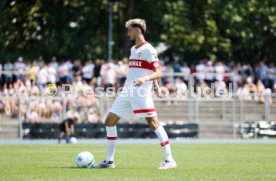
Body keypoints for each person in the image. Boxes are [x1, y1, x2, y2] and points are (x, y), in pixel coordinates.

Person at [93, 18, 176, 169]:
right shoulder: (133, 49)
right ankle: (109, 161)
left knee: (153, 123)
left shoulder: (149, 49)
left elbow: (158, 71)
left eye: (129, 30)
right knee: (109, 121)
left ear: (137, 30)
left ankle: (170, 160)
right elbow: (150, 70)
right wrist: (155, 85)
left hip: (141, 92)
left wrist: (149, 81)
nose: (127, 33)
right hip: (127, 91)